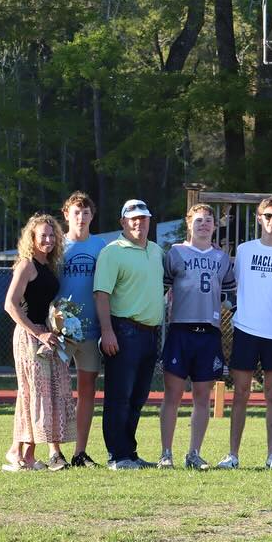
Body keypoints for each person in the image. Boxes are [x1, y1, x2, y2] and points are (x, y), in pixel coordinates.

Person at [222, 195, 272, 470]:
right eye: (268, 216)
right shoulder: (244, 250)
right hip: (245, 330)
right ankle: (233, 455)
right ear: (259, 218)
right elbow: (233, 287)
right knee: (240, 393)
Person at [159, 203, 235, 469]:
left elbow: (229, 297)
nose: (204, 225)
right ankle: (166, 453)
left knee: (202, 397)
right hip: (181, 330)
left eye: (208, 220)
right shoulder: (175, 253)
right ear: (188, 222)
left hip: (209, 332)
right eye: (199, 220)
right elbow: (162, 290)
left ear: (214, 225)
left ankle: (193, 453)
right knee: (173, 395)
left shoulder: (222, 258)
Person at [93, 199, 166, 470]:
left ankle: (130, 452)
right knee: (119, 396)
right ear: (123, 222)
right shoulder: (112, 252)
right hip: (123, 330)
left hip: (150, 333)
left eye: (143, 218)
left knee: (137, 398)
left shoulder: (156, 251)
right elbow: (101, 294)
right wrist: (107, 331)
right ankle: (117, 455)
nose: (139, 223)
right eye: (133, 218)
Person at [2, 214, 72, 471]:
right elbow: (10, 305)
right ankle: (16, 451)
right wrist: (37, 333)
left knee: (44, 393)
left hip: (47, 335)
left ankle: (28, 455)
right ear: (31, 237)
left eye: (52, 235)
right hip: (29, 337)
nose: (48, 240)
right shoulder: (26, 265)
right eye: (43, 235)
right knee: (31, 392)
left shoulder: (48, 266)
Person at [58, 192, 107, 467]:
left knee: (87, 390)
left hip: (90, 330)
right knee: (56, 389)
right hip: (61, 331)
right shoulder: (56, 244)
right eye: (76, 212)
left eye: (85, 212)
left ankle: (80, 452)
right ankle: (55, 451)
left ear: (92, 216)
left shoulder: (101, 246)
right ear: (66, 215)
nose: (81, 217)